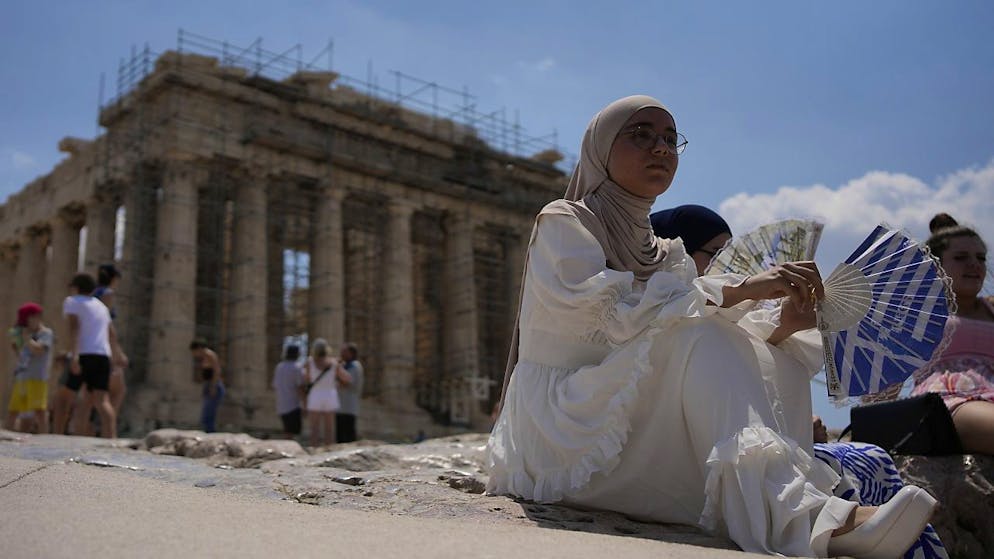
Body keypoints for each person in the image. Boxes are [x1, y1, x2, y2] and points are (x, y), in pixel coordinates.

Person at [487, 96, 936, 558]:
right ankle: (801, 520)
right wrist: (740, 289)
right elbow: (615, 318)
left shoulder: (664, 251)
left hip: (623, 421)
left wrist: (782, 323)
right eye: (640, 135)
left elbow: (685, 322)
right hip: (565, 433)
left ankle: (789, 507)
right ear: (600, 148)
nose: (661, 148)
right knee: (700, 332)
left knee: (766, 353)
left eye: (670, 139)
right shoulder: (564, 221)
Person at [651, 204, 949, 559]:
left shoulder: (731, 319)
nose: (723, 266)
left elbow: (753, 371)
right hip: (708, 449)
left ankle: (864, 527)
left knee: (872, 457)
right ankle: (828, 522)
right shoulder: (669, 315)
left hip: (770, 445)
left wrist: (786, 327)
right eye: (715, 253)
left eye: (728, 255)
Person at [910, 213, 994, 454]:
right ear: (935, 267)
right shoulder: (920, 311)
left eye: (981, 258)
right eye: (960, 257)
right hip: (950, 398)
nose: (974, 264)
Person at [61, 273, 124, 439]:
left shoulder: (72, 301)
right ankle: (110, 437)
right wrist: (118, 356)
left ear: (75, 287)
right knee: (99, 401)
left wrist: (74, 356)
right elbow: (112, 334)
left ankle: (55, 435)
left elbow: (74, 328)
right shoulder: (102, 307)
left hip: (84, 354)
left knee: (64, 398)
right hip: (103, 356)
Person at [4, 303, 53, 434]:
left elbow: (39, 350)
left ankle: (45, 438)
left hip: (37, 378)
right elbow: (22, 356)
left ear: (36, 317)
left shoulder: (46, 333)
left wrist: (27, 338)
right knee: (14, 410)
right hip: (22, 377)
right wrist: (17, 345)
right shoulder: (28, 334)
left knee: (39, 410)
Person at [304, 339, 340, 447]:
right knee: (329, 428)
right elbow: (346, 378)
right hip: (330, 394)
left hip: (315, 394)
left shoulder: (309, 362)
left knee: (314, 427)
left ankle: (313, 448)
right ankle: (329, 449)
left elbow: (307, 379)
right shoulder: (333, 363)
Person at [189, 339, 223, 433]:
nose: (194, 355)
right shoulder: (204, 357)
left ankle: (210, 431)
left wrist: (213, 386)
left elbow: (216, 370)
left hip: (213, 385)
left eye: (194, 352)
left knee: (209, 410)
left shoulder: (210, 355)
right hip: (208, 384)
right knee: (206, 410)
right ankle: (207, 430)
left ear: (199, 348)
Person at [272, 345, 304, 439]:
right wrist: (304, 402)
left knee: (287, 430)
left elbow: (275, 385)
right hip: (293, 404)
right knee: (292, 432)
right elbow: (300, 386)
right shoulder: (297, 367)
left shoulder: (279, 367)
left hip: (281, 403)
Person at [335, 342, 363, 443]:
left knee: (349, 436)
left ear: (351, 353)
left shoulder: (355, 366)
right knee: (340, 437)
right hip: (340, 407)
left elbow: (347, 382)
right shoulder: (345, 366)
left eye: (344, 352)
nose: (341, 354)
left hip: (349, 407)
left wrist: (337, 368)